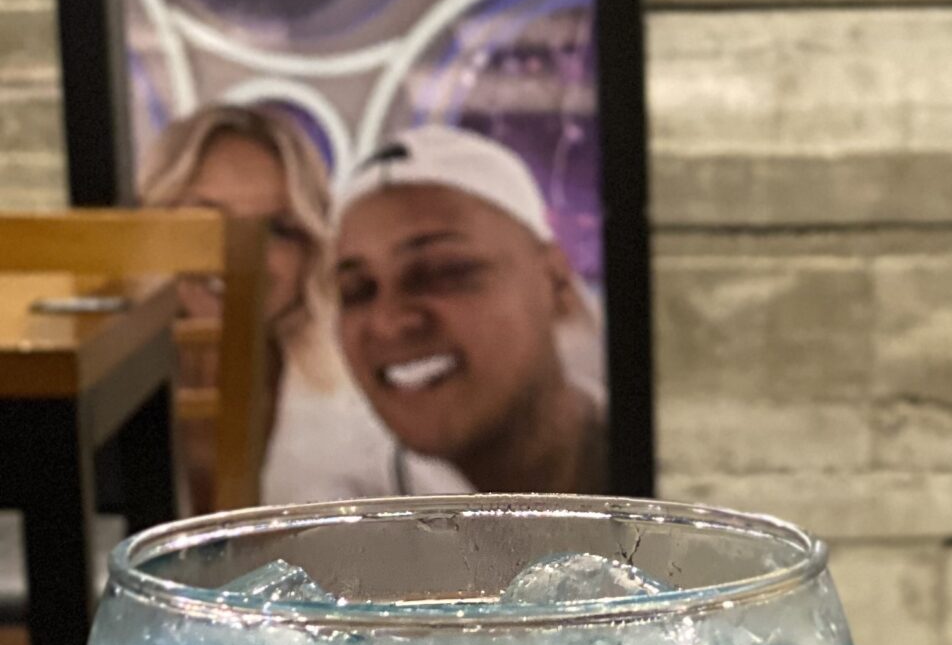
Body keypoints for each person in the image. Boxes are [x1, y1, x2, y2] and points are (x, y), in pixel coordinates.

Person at [330, 127, 606, 496]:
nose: (387, 322)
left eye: (445, 272)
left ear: (556, 281)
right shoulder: (336, 508)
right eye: (356, 291)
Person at [138, 101, 342, 506]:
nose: (243, 255)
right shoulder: (94, 391)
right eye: (210, 223)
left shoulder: (363, 405)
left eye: (278, 229)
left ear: (310, 251)